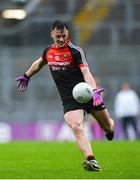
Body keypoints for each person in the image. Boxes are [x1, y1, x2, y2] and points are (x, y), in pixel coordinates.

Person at [16, 20, 114, 171]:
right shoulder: (48, 51)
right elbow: (39, 63)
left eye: (64, 36)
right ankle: (91, 159)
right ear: (52, 35)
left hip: (87, 93)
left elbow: (86, 72)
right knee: (76, 126)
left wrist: (94, 91)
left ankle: (110, 130)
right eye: (58, 37)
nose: (61, 39)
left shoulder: (75, 51)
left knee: (107, 126)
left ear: (67, 34)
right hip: (69, 99)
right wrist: (27, 76)